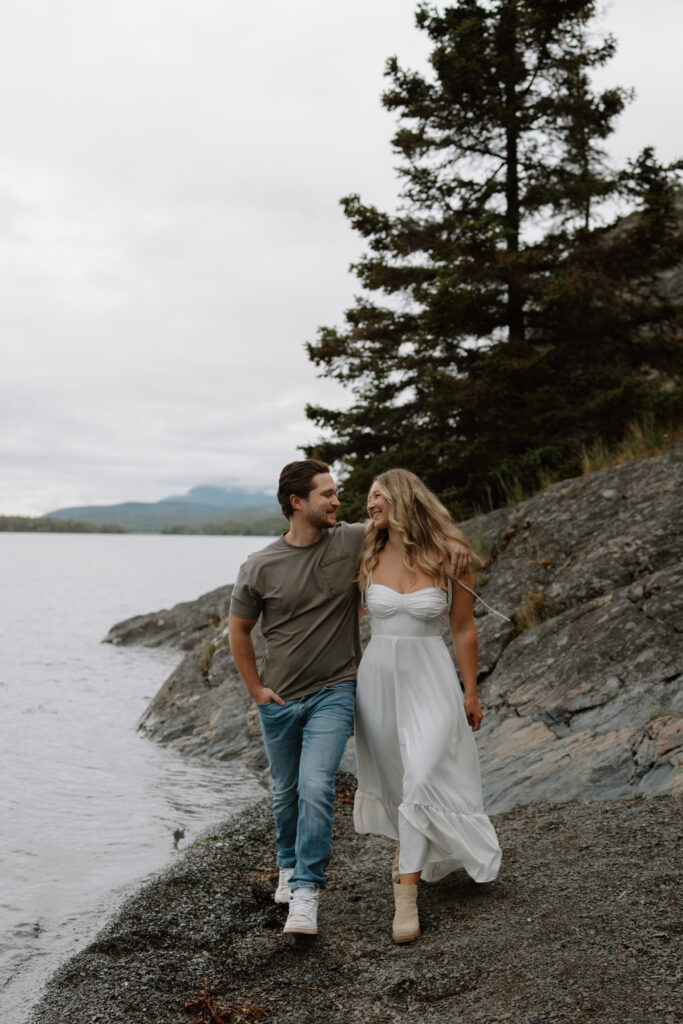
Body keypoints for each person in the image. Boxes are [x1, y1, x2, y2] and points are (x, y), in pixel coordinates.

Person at [228, 459, 470, 938]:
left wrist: (455, 541)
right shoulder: (260, 565)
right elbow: (239, 629)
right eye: (327, 494)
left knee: (316, 785)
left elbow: (411, 520)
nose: (338, 501)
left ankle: (306, 893)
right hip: (279, 696)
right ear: (297, 503)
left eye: (338, 493)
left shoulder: (351, 538)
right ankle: (287, 865)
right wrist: (256, 689)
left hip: (337, 689)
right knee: (285, 791)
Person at [353, 468, 501, 944]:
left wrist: (471, 691)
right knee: (399, 781)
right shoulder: (365, 551)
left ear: (400, 497)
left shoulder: (448, 555)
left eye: (376, 496)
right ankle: (409, 857)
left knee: (420, 777)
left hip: (431, 679)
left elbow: (462, 627)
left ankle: (406, 899)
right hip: (377, 682)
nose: (369, 503)